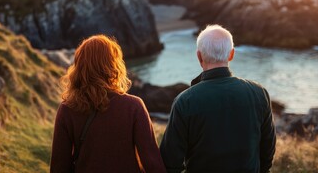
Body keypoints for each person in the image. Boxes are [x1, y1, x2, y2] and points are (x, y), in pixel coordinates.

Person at [160, 25, 276, 173]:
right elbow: (267, 151)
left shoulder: (184, 101)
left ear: (199, 56)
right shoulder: (259, 93)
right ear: (231, 54)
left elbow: (169, 162)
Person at [50, 35, 166, 173]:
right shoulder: (133, 106)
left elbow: (59, 166)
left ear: (79, 67)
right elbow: (152, 163)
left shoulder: (67, 109)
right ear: (112, 65)